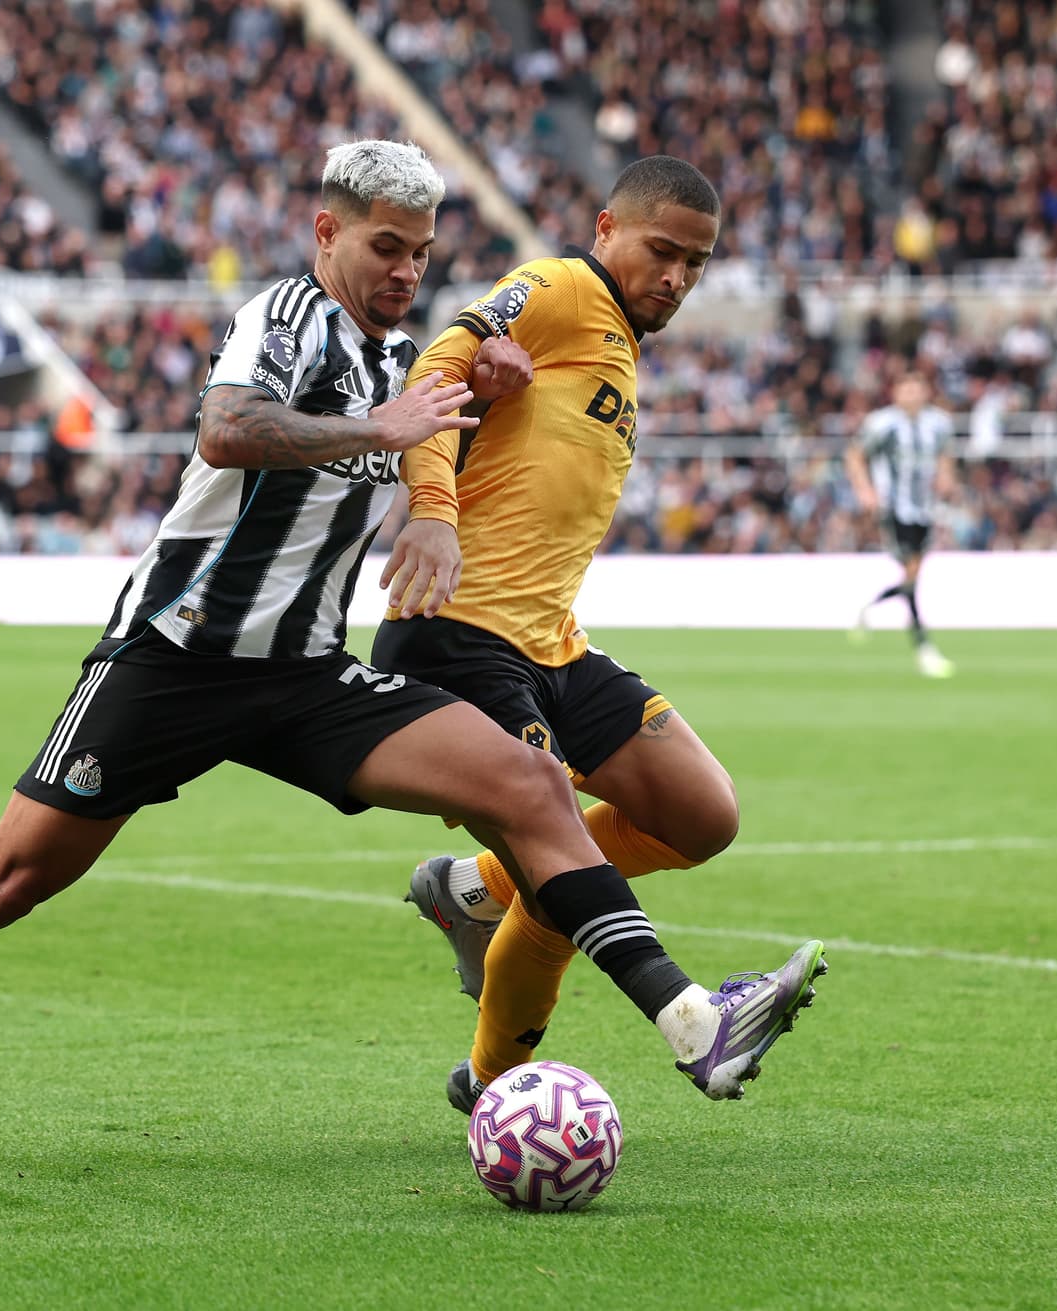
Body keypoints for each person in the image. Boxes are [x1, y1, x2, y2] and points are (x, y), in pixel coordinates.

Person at [0, 140, 824, 1172]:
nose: (404, 271)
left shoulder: (391, 357)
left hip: (304, 673)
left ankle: (692, 1024)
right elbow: (229, 429)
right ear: (326, 232)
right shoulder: (285, 315)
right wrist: (379, 431)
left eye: (422, 254)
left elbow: (442, 423)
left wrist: (468, 414)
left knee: (530, 784)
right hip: (173, 661)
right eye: (385, 247)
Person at [373, 155, 824, 1112]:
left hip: (554, 648)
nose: (677, 278)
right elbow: (437, 365)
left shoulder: (614, 339)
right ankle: (511, 1083)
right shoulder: (568, 288)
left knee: (703, 814)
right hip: (457, 636)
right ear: (607, 225)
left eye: (695, 265)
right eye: (662, 251)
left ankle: (473, 888)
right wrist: (433, 512)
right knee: (560, 870)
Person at [846, 372, 957, 677]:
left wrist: (946, 477)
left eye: (916, 389)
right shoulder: (883, 424)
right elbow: (855, 455)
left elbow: (945, 455)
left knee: (912, 576)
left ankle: (870, 607)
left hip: (925, 510)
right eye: (905, 390)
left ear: (925, 392)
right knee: (911, 574)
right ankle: (924, 648)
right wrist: (865, 491)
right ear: (895, 393)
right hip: (895, 508)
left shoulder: (938, 424)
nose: (911, 395)